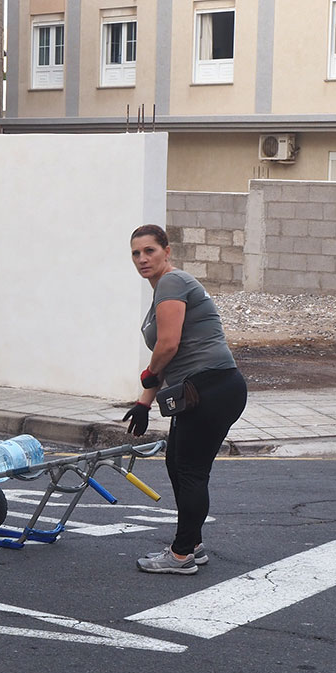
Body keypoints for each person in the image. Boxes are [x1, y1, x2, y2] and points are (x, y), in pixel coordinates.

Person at [121, 224, 247, 575]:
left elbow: (168, 345)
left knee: (190, 471)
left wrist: (148, 375)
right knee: (178, 466)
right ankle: (191, 544)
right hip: (201, 390)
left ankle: (180, 556)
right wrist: (145, 402)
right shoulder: (164, 290)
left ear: (167, 251)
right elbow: (170, 356)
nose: (143, 258)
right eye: (136, 253)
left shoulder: (172, 283)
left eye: (150, 250)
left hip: (211, 387)